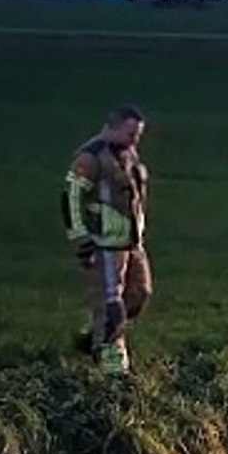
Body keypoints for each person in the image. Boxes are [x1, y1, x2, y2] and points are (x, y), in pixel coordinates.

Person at [59, 105, 152, 374]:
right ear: (113, 127)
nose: (135, 140)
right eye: (131, 133)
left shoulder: (128, 153)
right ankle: (113, 372)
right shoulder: (91, 157)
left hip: (132, 243)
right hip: (104, 245)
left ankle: (94, 338)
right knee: (112, 306)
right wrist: (81, 238)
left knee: (140, 292)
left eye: (138, 134)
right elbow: (71, 197)